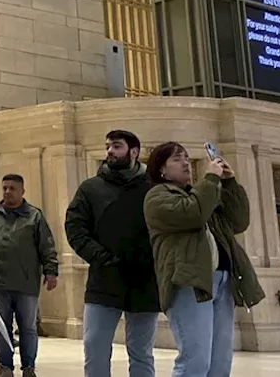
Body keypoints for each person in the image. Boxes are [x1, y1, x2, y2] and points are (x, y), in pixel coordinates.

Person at [144, 142, 265, 377]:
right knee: (195, 360)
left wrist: (229, 182)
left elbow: (239, 221)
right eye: (177, 159)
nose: (186, 163)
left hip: (223, 280)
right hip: (190, 282)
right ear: (162, 170)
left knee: (220, 361)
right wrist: (209, 179)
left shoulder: (202, 194)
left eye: (187, 158)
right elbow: (193, 214)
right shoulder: (157, 196)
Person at [65, 130, 159, 377]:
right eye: (108, 146)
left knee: (141, 351)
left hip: (145, 281)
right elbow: (75, 229)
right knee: (94, 346)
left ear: (134, 152)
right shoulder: (90, 189)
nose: (109, 152)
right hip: (104, 279)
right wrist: (102, 258)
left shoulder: (154, 188)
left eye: (116, 146)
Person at [0, 174, 59, 377]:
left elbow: (47, 246)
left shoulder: (34, 216)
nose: (7, 192)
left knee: (28, 328)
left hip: (26, 282)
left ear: (22, 191)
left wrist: (51, 271)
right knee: (1, 327)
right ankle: (5, 366)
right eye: (4, 188)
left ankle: (28, 367)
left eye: (12, 188)